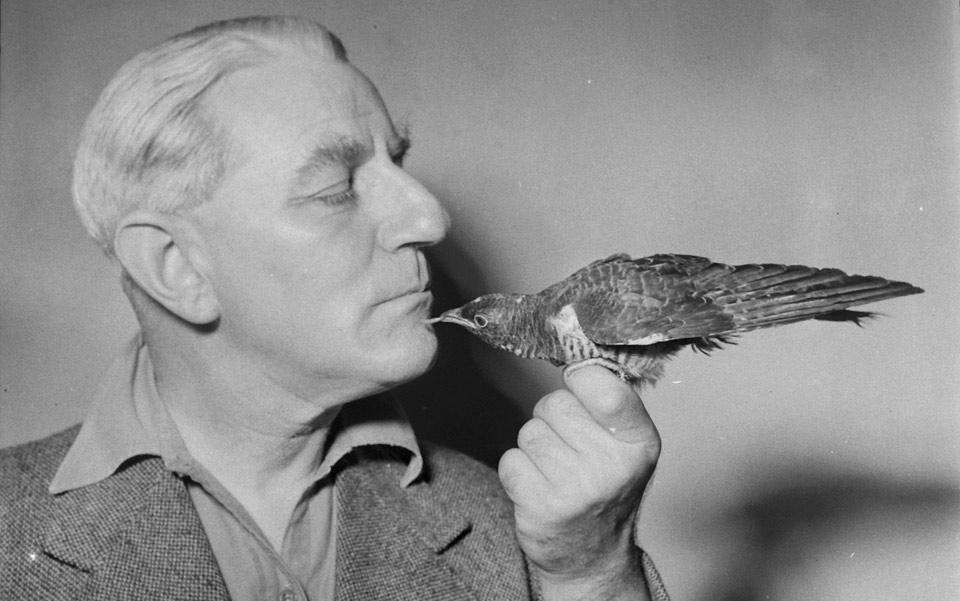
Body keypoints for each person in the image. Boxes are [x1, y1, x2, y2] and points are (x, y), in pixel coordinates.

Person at [0, 16, 669, 601]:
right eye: (334, 187)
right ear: (176, 267)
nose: (428, 217)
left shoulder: (525, 528)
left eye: (397, 161)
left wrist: (591, 577)